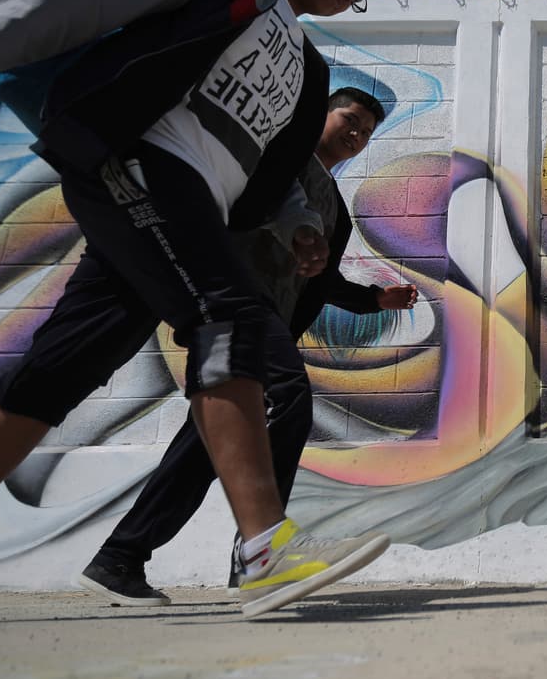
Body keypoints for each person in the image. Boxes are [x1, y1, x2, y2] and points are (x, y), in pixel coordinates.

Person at [0, 0, 392, 626]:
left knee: (60, 370)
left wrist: (297, 226)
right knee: (229, 317)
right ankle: (266, 549)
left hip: (187, 207)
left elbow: (276, 168)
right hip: (138, 160)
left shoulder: (308, 68)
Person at [79, 87, 417, 607]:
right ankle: (261, 553)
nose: (357, 134)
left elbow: (319, 281)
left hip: (265, 321)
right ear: (320, 114)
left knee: (203, 447)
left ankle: (120, 557)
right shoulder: (273, 159)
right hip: (233, 302)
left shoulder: (337, 211)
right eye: (349, 119)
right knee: (289, 398)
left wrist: (375, 299)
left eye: (366, 132)